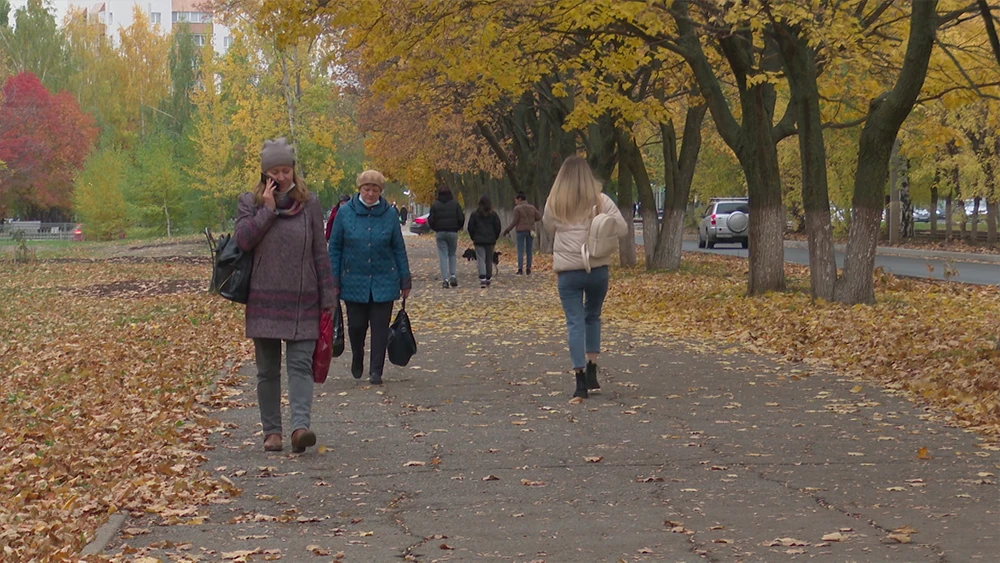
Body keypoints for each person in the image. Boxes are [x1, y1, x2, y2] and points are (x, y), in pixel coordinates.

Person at [235, 138, 335, 453]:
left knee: (301, 365)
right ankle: (272, 433)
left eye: (286, 170)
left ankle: (300, 429)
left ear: (294, 171)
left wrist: (328, 295)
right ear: (265, 174)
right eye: (275, 171)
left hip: (303, 299)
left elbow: (320, 251)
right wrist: (267, 210)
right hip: (263, 298)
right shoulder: (249, 203)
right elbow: (243, 241)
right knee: (267, 369)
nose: (281, 176)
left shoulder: (310, 204)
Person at [543, 155, 627, 399]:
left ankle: (579, 380)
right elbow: (621, 228)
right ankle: (592, 369)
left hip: (568, 273)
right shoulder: (601, 201)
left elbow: (548, 227)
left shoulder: (555, 203)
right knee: (593, 316)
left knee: (574, 321)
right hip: (597, 269)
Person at [328, 170, 412, 385]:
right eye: (367, 189)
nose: (371, 193)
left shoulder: (389, 214)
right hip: (353, 280)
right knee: (356, 326)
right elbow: (335, 247)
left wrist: (405, 279)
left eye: (375, 190)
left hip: (384, 279)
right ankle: (357, 355)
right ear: (359, 190)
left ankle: (376, 370)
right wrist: (334, 280)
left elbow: (398, 247)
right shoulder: (345, 213)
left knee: (380, 328)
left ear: (380, 191)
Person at [427, 184, 464, 288]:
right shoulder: (455, 204)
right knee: (452, 254)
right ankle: (453, 275)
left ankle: (445, 279)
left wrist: (435, 228)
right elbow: (461, 218)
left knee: (443, 255)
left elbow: (431, 220)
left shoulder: (435, 205)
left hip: (440, 233)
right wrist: (457, 227)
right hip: (452, 232)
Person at [501, 191, 543, 275]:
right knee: (529, 250)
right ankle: (528, 268)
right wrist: (531, 221)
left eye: (516, 200)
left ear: (520, 199)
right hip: (530, 231)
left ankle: (520, 269)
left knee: (520, 250)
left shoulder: (517, 209)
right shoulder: (532, 207)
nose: (515, 202)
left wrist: (507, 230)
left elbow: (514, 222)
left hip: (520, 231)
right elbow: (539, 217)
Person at [467, 194, 502, 288]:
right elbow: (498, 227)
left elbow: (470, 227)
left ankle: (482, 278)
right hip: (490, 240)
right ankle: (488, 278)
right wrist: (495, 237)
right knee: (489, 259)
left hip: (478, 240)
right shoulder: (493, 214)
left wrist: (473, 237)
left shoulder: (475, 214)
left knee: (480, 258)